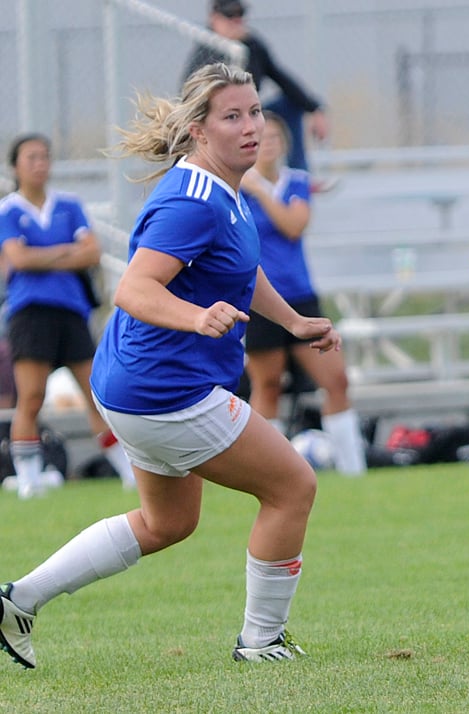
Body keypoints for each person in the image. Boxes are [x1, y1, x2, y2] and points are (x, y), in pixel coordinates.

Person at [0, 62, 341, 670]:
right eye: (231, 116)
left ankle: (17, 601)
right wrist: (195, 317)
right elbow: (133, 289)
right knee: (293, 486)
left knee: (168, 522)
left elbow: (240, 270)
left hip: (134, 386)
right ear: (199, 130)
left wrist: (290, 321)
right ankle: (262, 641)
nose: (250, 126)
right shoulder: (195, 200)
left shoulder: (223, 188)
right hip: (167, 392)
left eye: (255, 112)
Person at [0, 133, 137, 496]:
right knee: (30, 396)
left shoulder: (70, 204)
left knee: (97, 393)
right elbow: (18, 259)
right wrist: (65, 252)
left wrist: (42, 254)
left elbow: (91, 252)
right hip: (31, 314)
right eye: (31, 157)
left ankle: (128, 470)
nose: (40, 164)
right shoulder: (9, 210)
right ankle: (28, 478)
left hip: (71, 311)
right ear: (16, 165)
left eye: (45, 156)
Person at [241, 111, 366, 476]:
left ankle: (352, 468)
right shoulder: (236, 186)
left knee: (335, 380)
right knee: (267, 385)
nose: (269, 145)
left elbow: (294, 226)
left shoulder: (293, 183)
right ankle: (268, 472)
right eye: (264, 138)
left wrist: (261, 191)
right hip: (260, 300)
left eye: (276, 138)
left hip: (299, 296)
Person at [182, 0, 329, 176]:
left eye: (240, 15)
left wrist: (314, 108)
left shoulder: (252, 45)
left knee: (289, 104)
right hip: (222, 118)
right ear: (214, 18)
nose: (236, 21)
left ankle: (298, 177)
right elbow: (189, 98)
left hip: (249, 112)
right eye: (229, 16)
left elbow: (281, 77)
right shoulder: (207, 50)